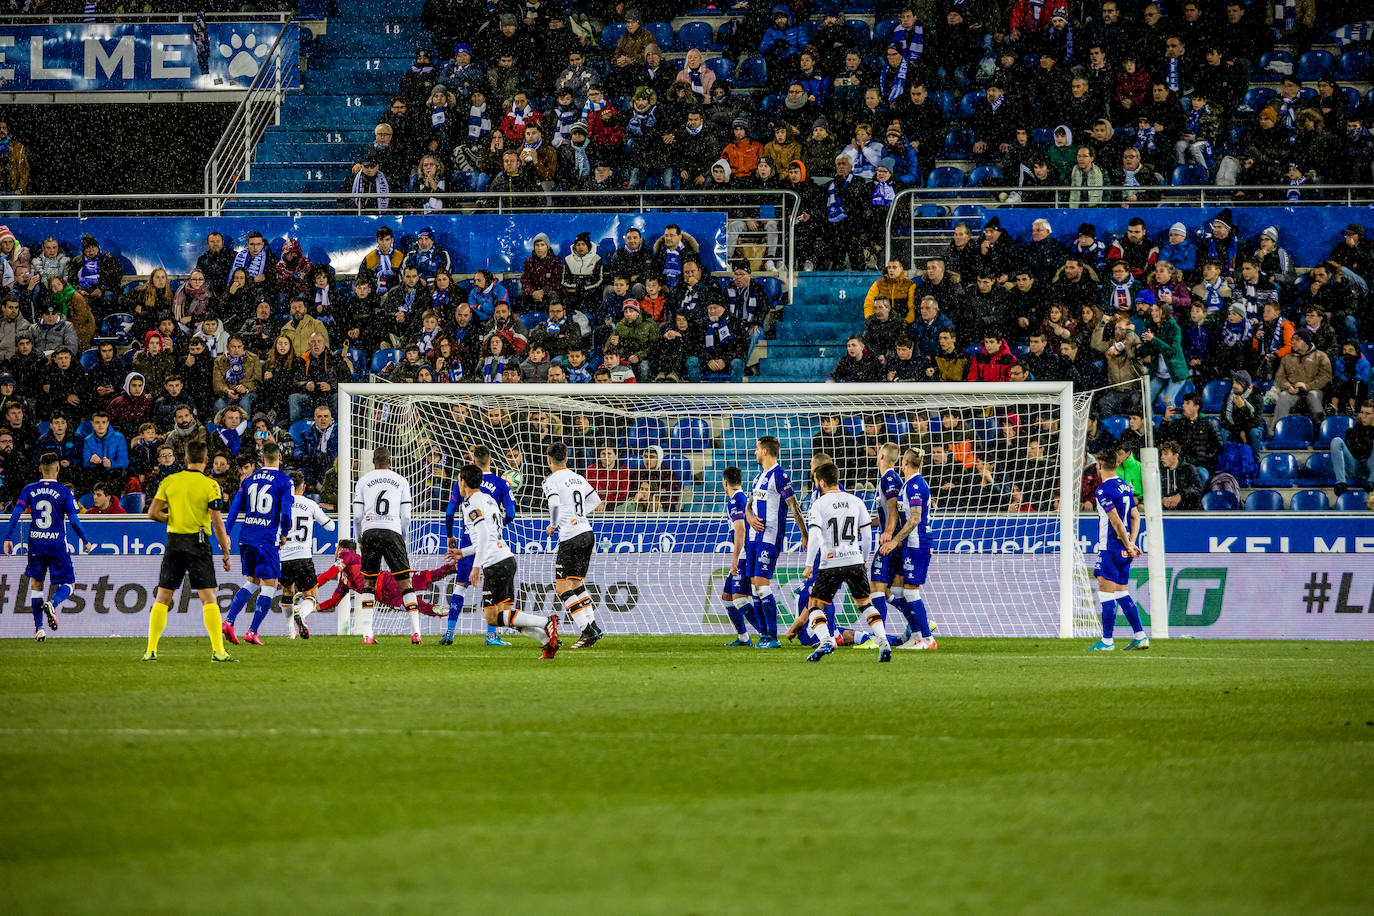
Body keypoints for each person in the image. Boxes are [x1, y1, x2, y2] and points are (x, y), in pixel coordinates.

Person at [141, 439, 235, 662]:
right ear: (205, 461)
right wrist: (225, 549)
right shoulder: (211, 485)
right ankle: (219, 652)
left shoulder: (170, 480)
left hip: (174, 542)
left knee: (163, 596)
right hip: (198, 543)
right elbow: (217, 521)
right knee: (208, 598)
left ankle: (151, 650)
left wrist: (171, 518)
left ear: (184, 460)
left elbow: (153, 513)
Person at [454, 463, 560, 658]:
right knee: (503, 616)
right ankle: (548, 641)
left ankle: (546, 622)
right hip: (505, 558)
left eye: (459, 479)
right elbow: (488, 536)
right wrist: (464, 552)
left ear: (464, 482)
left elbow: (485, 535)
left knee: (493, 617)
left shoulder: (469, 503)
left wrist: (476, 566)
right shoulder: (488, 500)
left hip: (494, 563)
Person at [798, 461, 890, 663]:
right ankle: (882, 640)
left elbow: (813, 536)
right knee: (865, 604)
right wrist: (864, 559)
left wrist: (808, 564)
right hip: (855, 561)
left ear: (821, 482)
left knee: (814, 605)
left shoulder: (819, 504)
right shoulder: (856, 501)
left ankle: (826, 641)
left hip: (830, 563)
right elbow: (866, 534)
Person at [3, 453, 92, 641]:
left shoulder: (29, 489)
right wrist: (85, 540)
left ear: (39, 468)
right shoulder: (65, 491)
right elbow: (74, 519)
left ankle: (39, 629)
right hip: (57, 544)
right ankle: (53, 603)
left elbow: (16, 513)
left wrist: (7, 537)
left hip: (36, 544)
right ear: (58, 469)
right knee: (69, 583)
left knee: (36, 586)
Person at [220, 440, 293, 646]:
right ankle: (252, 631)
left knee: (252, 581)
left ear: (262, 459)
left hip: (246, 537)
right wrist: (285, 533)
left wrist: (226, 534)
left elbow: (234, 510)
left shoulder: (249, 480)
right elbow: (286, 513)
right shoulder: (284, 481)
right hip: (266, 538)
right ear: (279, 457)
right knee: (270, 585)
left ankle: (229, 621)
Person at [443, 443, 516, 646]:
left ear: (473, 461)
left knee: (461, 585)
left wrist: (450, 535)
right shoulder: (501, 483)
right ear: (490, 460)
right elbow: (511, 513)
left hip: (469, 539)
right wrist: (497, 524)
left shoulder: (464, 483)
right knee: (492, 588)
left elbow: (449, 512)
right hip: (492, 542)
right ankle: (491, 635)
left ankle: (449, 633)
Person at [351, 447, 425, 645]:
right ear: (389, 461)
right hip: (393, 531)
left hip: (370, 531)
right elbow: (407, 516)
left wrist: (360, 538)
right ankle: (416, 632)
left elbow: (357, 516)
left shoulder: (363, 481)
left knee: (369, 582)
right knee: (405, 583)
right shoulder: (401, 481)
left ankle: (367, 633)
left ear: (373, 461)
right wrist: (402, 537)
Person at [743, 435, 807, 649]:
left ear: (766, 452)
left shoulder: (780, 475)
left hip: (770, 539)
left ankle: (772, 637)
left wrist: (804, 534)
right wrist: (749, 516)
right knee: (754, 589)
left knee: (762, 586)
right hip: (753, 538)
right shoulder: (758, 477)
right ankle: (763, 635)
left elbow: (794, 506)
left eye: (757, 449)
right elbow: (748, 505)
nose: (754, 452)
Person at [542, 441, 604, 648]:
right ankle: (593, 626)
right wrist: (577, 515)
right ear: (567, 458)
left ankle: (586, 632)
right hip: (587, 532)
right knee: (576, 583)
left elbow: (554, 504)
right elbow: (596, 500)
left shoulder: (551, 481)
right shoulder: (577, 477)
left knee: (562, 588)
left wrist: (553, 524)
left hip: (571, 536)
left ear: (548, 460)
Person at [1086, 448, 1147, 652]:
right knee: (1122, 593)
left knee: (1105, 593)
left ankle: (1107, 641)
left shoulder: (1103, 490)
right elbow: (1135, 517)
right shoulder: (1124, 486)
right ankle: (1140, 636)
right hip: (1124, 549)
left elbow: (1116, 522)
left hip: (1110, 548)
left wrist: (1128, 544)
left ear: (1100, 466)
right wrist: (1131, 543)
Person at [877, 447, 935, 650]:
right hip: (910, 544)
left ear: (904, 463)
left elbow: (916, 518)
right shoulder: (907, 485)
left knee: (911, 592)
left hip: (918, 543)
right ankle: (917, 635)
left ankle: (928, 639)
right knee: (898, 590)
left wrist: (894, 541)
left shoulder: (916, 485)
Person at [277, 470, 337, 640]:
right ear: (303, 487)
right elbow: (330, 527)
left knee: (287, 592)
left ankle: (290, 631)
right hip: (303, 557)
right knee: (310, 595)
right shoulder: (310, 504)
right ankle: (301, 615)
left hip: (284, 557)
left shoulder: (280, 504)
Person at [718, 465, 761, 647]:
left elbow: (740, 529)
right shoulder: (743, 498)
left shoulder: (736, 501)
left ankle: (766, 633)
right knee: (727, 596)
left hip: (743, 556)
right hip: (747, 553)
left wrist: (735, 558)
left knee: (739, 599)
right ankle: (743, 637)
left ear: (725, 483)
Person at [1272, 329, 1332, 429]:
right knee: (1283, 396)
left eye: (1297, 340)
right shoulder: (1286, 358)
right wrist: (1288, 387)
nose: (1293, 342)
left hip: (1314, 390)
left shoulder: (1321, 356)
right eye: (1292, 340)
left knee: (1313, 395)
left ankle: (1320, 428)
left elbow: (1326, 377)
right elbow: (1279, 377)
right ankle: (1277, 429)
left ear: (1306, 342)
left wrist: (1307, 386)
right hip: (1293, 392)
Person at [1331, 401, 1374, 496]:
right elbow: (1356, 451)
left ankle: (1372, 482)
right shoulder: (1353, 431)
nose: (1363, 416)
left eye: (1368, 414)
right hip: (1355, 467)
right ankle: (1341, 483)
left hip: (1371, 469)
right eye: (1362, 412)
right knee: (1336, 441)